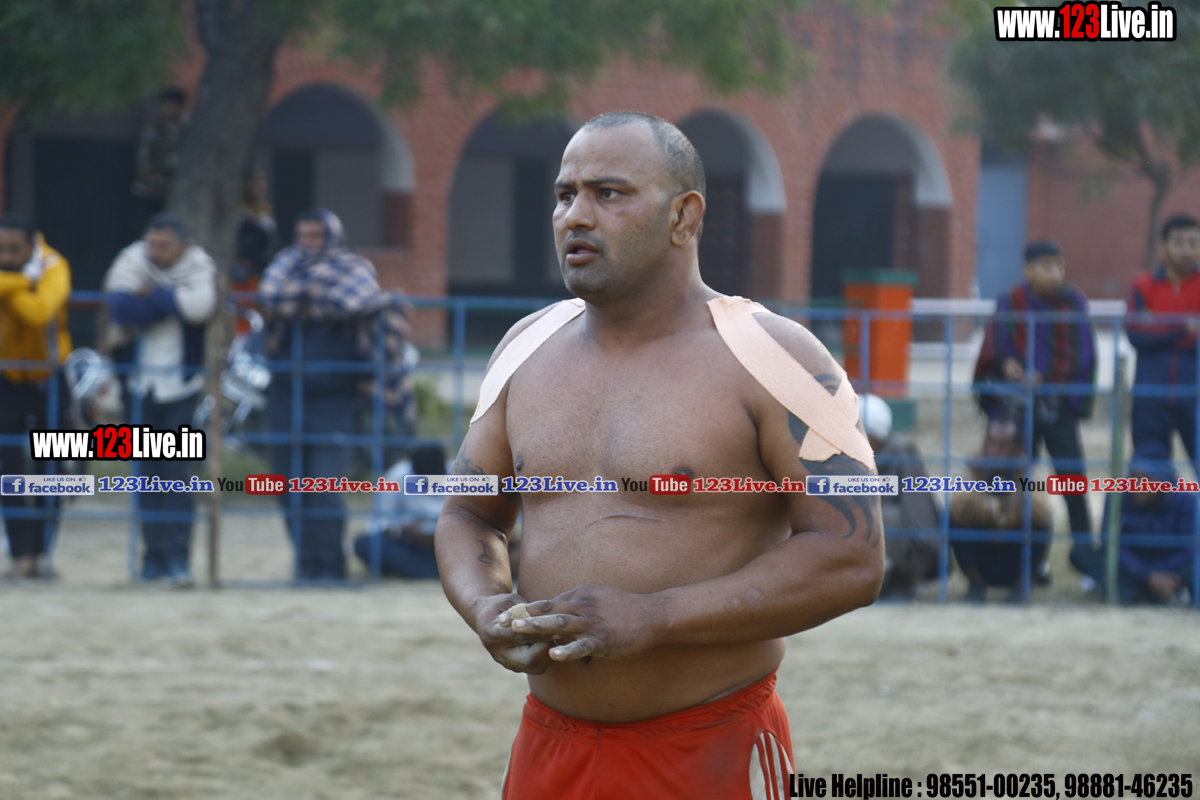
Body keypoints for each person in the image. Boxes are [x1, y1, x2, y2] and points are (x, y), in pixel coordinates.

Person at [435, 112, 884, 799]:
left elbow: (852, 556)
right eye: (565, 195)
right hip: (547, 746)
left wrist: (657, 616)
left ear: (684, 216)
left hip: (708, 749)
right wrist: (486, 606)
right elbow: (468, 513)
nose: (576, 216)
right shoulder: (524, 347)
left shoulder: (776, 356)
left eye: (608, 193)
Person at [258, 209, 404, 581]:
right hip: (284, 391)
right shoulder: (284, 265)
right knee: (287, 487)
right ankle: (305, 565)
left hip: (334, 396)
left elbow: (354, 302)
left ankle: (331, 566)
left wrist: (305, 300)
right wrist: (317, 299)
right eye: (303, 235)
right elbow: (269, 295)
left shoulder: (354, 268)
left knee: (324, 486)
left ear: (333, 236)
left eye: (316, 235)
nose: (309, 243)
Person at [104, 212, 216, 586]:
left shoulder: (200, 264)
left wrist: (154, 296)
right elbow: (120, 308)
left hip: (182, 387)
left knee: (178, 477)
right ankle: (151, 558)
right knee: (145, 476)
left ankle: (178, 561)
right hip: (137, 385)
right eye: (152, 243)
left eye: (165, 245)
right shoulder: (131, 258)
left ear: (183, 246)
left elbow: (201, 308)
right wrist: (172, 303)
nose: (156, 251)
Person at [974, 239, 1096, 546]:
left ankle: (1084, 551)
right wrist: (1008, 364)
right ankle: (1012, 552)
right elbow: (996, 345)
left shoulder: (1072, 303)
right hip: (1015, 409)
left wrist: (1047, 377)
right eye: (1046, 266)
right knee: (1011, 479)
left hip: (1058, 407)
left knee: (1072, 480)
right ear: (1027, 270)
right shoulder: (1010, 302)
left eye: (1059, 266)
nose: (1055, 273)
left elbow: (1082, 353)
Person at [0, 215, 71, 580]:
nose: (6, 256)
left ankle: (43, 555)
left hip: (50, 377)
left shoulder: (54, 264)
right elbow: (32, 299)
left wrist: (8, 288)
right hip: (7, 377)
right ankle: (20, 557)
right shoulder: (28, 276)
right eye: (1, 250)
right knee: (7, 471)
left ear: (32, 246)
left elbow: (40, 311)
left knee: (53, 469)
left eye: (15, 249)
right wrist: (24, 283)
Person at [1071, 441, 1196, 605]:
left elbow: (1190, 547)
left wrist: (1162, 573)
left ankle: (1132, 592)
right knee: (1081, 553)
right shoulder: (1117, 496)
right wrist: (1147, 575)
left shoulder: (1186, 500)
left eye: (1146, 480)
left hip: (1172, 567)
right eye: (1133, 478)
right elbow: (1109, 543)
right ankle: (1153, 593)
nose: (1137, 487)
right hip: (1133, 567)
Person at [950, 416, 1053, 603]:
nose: (995, 451)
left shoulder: (1030, 468)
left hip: (1015, 558)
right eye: (991, 443)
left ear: (1018, 448)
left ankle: (1021, 586)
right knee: (952, 519)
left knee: (1043, 523)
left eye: (1004, 445)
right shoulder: (971, 465)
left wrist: (984, 507)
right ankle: (976, 584)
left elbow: (1040, 509)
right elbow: (959, 505)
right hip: (982, 554)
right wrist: (1002, 507)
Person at [1127, 214, 1200, 465]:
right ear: (1164, 245)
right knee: (1151, 474)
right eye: (1178, 243)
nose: (1186, 250)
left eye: (1193, 243)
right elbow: (1136, 335)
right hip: (1151, 397)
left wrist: (1157, 327)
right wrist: (1183, 330)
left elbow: (1148, 335)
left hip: (1195, 395)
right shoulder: (1143, 285)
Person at [860, 394, 940, 600]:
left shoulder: (900, 452)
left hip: (905, 545)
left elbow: (919, 519)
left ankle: (901, 580)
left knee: (880, 517)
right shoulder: (856, 457)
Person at [352, 446, 446, 579]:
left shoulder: (461, 474)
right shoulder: (396, 477)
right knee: (365, 544)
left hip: (447, 544)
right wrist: (406, 531)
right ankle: (434, 572)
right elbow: (377, 525)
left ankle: (426, 571)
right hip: (409, 543)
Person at [131, 88, 189, 235]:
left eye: (172, 106)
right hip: (150, 190)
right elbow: (145, 160)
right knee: (147, 229)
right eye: (165, 106)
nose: (168, 110)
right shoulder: (154, 129)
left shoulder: (186, 129)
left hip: (175, 192)